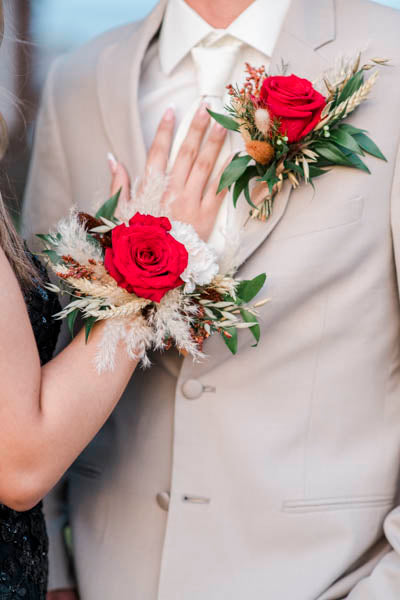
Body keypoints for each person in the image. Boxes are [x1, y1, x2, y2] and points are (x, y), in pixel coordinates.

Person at [23, 0, 400, 598]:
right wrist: (55, 579)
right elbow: (36, 349)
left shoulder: (391, 58)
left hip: (330, 578)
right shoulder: (79, 81)